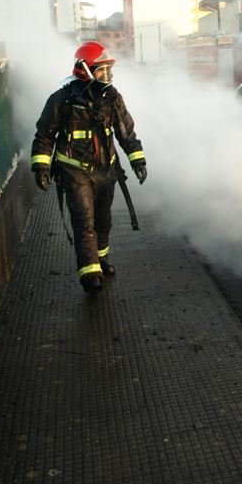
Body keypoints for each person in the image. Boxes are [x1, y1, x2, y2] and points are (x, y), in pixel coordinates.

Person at [31, 41, 148, 296]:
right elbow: (45, 135)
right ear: (85, 70)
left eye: (108, 70)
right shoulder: (62, 100)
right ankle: (90, 274)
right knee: (85, 223)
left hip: (107, 171)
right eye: (101, 70)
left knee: (103, 220)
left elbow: (126, 132)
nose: (107, 76)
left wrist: (137, 159)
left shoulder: (112, 98)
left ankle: (101, 260)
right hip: (75, 172)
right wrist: (40, 167)